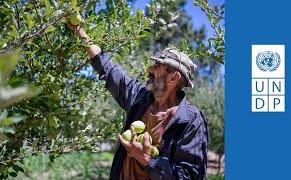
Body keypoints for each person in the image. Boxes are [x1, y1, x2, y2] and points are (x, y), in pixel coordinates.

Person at [69, 23, 209, 180]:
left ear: (173, 78)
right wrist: (79, 30)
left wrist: (147, 160)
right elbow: (109, 70)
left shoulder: (191, 120)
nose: (148, 70)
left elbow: (190, 176)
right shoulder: (140, 97)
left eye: (156, 66)